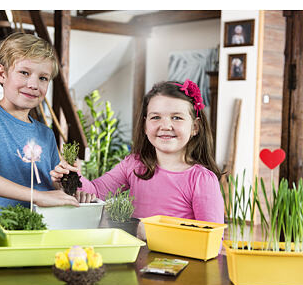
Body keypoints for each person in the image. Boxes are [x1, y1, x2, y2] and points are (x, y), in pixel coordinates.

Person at [51, 80, 224, 235]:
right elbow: (95, 191)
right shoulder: (133, 165)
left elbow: (212, 241)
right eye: (156, 117)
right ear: (145, 126)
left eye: (177, 117)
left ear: (195, 127)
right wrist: (70, 175)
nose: (165, 125)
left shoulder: (202, 180)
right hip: (137, 257)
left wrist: (147, 232)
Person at [0, 32, 80, 209]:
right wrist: (36, 196)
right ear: (2, 74)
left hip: (46, 223)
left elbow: (52, 189)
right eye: (24, 73)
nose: (33, 85)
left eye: (43, 78)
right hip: (5, 224)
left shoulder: (46, 133)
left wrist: (66, 185)